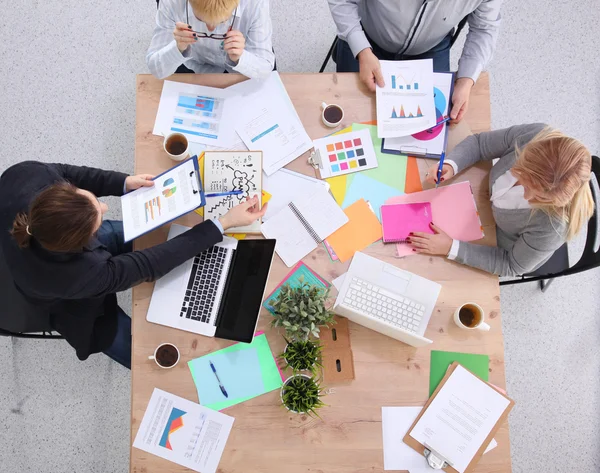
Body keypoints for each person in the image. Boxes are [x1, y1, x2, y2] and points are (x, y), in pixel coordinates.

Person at [0, 161, 266, 369]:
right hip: (69, 304)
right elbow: (147, 265)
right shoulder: (83, 273)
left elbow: (67, 172)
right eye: (97, 220)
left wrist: (123, 183)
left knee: (152, 235)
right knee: (142, 351)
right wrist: (223, 223)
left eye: (91, 200)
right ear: (81, 245)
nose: (105, 207)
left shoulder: (25, 174)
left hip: (39, 253)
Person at [408, 124, 595, 277]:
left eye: (539, 198)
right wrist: (452, 164)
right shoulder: (535, 135)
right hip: (476, 203)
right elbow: (480, 144)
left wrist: (450, 247)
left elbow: (512, 265)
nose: (527, 197)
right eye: (524, 181)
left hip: (495, 243)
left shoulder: (552, 228)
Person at [326, 0, 503, 123]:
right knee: (349, 113)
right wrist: (361, 49)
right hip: (368, 37)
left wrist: (465, 80)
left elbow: (484, 29)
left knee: (430, 125)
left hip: (431, 47)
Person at [147, 0, 274, 79]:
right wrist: (177, 48)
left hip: (238, 67)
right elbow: (156, 69)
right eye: (200, 20)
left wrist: (240, 57)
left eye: (222, 21)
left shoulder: (256, 4)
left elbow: (266, 68)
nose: (211, 30)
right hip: (192, 63)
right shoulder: (171, 2)